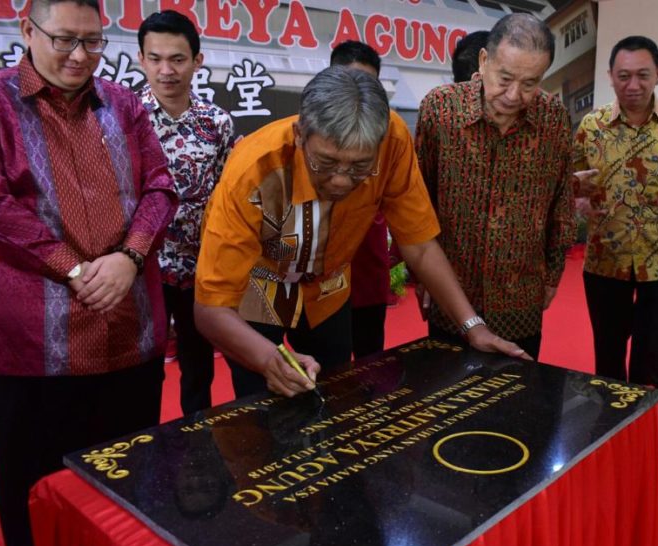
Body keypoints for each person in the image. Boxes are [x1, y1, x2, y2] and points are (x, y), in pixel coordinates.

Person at [0, 0, 178, 546]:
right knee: (33, 498)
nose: (80, 56)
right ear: (26, 29)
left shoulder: (124, 104)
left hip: (127, 339)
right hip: (31, 351)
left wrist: (131, 257)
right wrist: (77, 268)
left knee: (127, 493)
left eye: (92, 42)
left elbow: (161, 187)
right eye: (65, 40)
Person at [194, 65, 528, 400]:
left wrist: (473, 327)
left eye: (359, 167)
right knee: (263, 405)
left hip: (328, 286)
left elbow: (420, 244)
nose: (341, 180)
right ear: (299, 135)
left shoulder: (393, 140)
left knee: (335, 394)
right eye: (324, 163)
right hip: (263, 285)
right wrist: (267, 359)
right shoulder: (253, 170)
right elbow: (210, 308)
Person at [415, 14, 576, 360]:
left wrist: (552, 275)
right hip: (451, 295)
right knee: (448, 398)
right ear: (484, 61)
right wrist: (421, 275)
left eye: (530, 84)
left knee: (517, 400)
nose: (514, 95)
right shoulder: (440, 111)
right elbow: (419, 201)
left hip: (521, 297)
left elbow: (561, 201)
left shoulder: (554, 119)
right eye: (505, 79)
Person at [572, 36, 658, 484]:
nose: (633, 85)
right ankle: (610, 447)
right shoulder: (590, 127)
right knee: (608, 362)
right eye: (624, 75)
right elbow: (570, 186)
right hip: (605, 265)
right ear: (611, 76)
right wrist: (577, 198)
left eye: (643, 75)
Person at [137, 10, 234, 415]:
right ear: (140, 60)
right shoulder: (125, 117)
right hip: (142, 270)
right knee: (143, 372)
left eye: (177, 59)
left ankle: (198, 450)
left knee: (198, 371)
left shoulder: (218, 123)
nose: (166, 70)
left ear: (197, 60)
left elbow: (228, 196)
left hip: (201, 269)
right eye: (155, 58)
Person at [330, 40, 391, 360]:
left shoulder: (391, 137)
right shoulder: (310, 132)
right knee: (328, 368)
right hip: (319, 280)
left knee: (372, 364)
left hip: (367, 271)